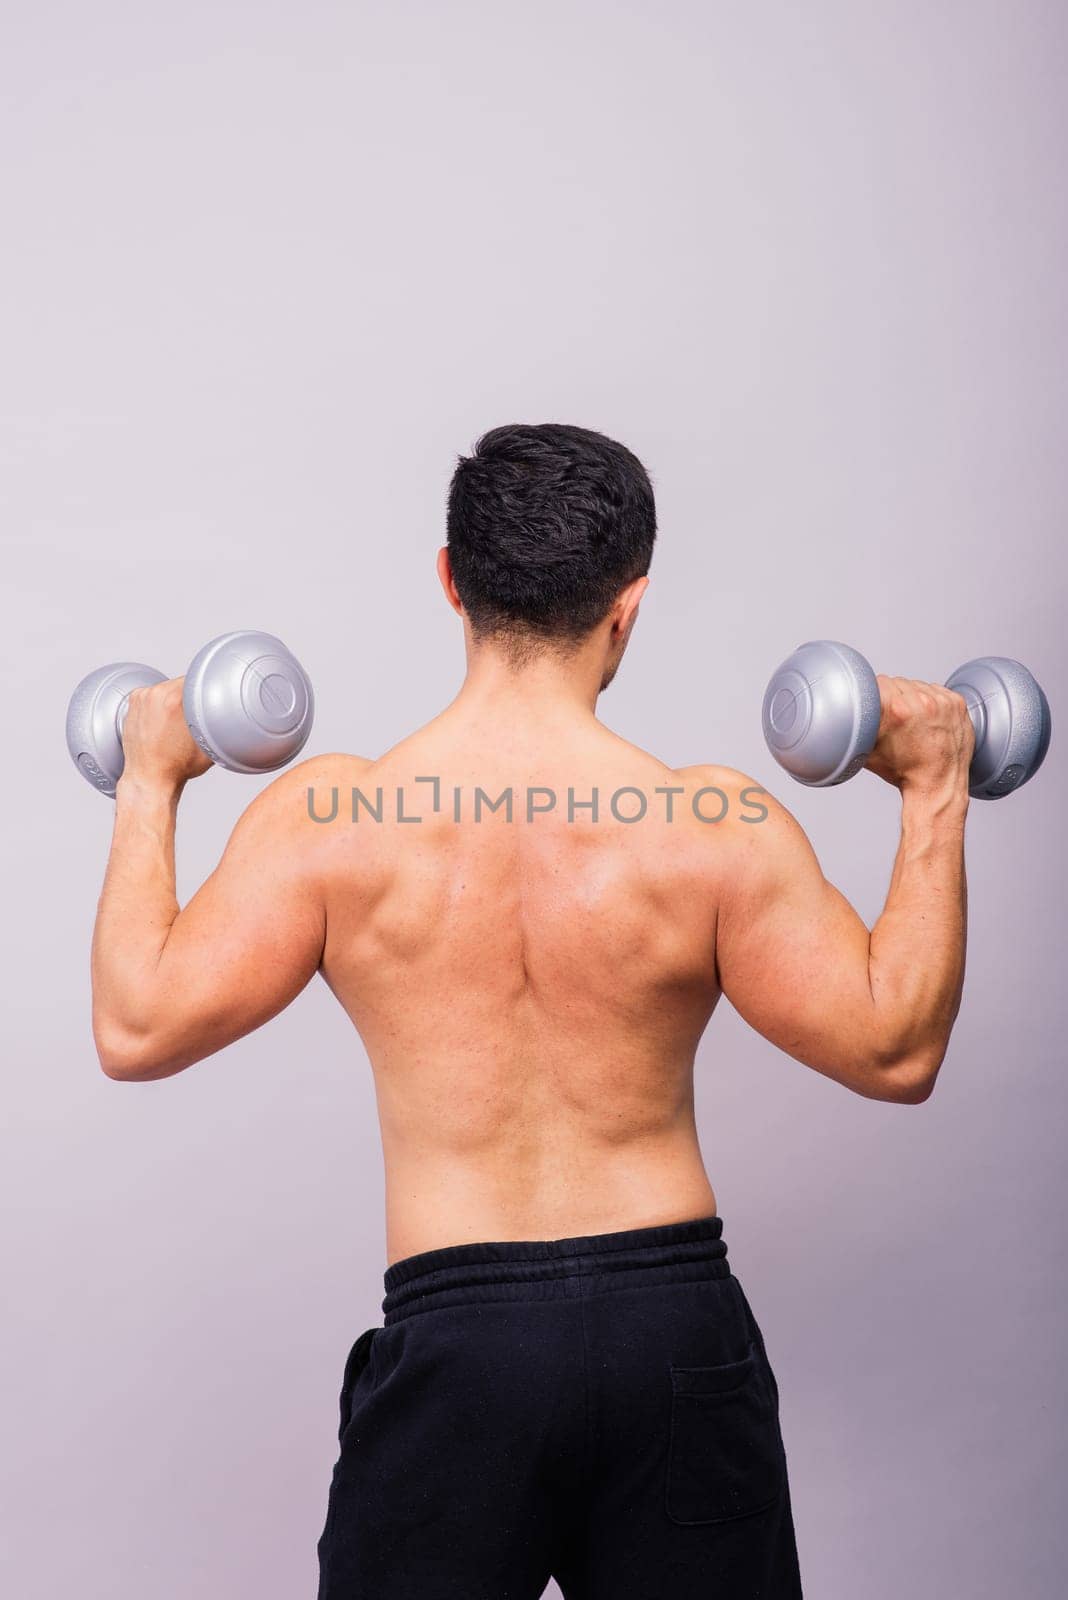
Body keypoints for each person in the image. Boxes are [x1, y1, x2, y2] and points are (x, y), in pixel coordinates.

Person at [89, 423, 974, 1599]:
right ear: (630, 606)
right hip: (673, 1335)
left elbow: (134, 1025)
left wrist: (148, 781)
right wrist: (936, 785)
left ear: (451, 580)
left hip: (459, 1348)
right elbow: (896, 1045)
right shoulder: (715, 826)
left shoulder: (332, 822)